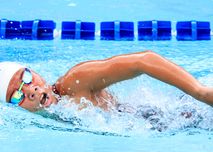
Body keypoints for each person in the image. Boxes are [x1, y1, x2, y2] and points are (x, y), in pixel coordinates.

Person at [0, 51, 213, 114]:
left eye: (26, 78)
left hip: (170, 118)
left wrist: (200, 92)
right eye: (16, 95)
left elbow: (144, 60)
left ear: (35, 72)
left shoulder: (75, 82)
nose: (31, 90)